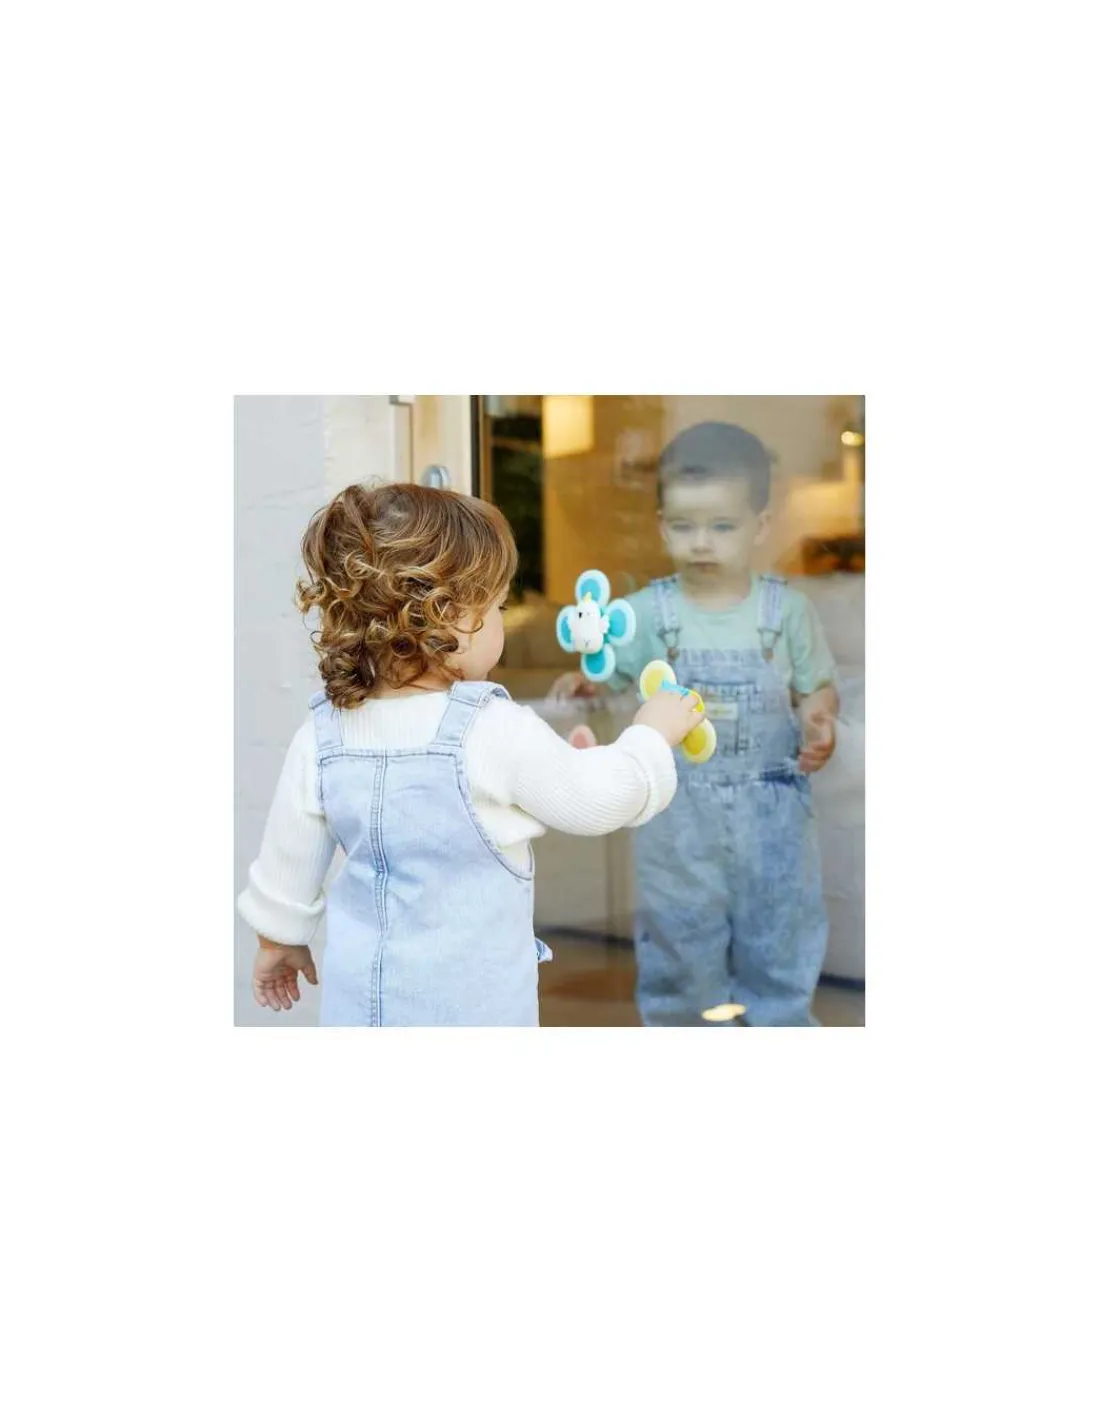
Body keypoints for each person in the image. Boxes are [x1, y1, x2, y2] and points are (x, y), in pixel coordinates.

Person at [238, 482, 703, 1027]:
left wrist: (279, 941)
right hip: (473, 1011)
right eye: (498, 605)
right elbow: (596, 798)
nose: (502, 619)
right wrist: (651, 735)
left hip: (363, 1010)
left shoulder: (323, 734)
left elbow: (289, 855)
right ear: (450, 616)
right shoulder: (488, 729)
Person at [551, 422, 839, 1026]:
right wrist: (586, 683)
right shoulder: (645, 613)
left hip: (773, 817)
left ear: (760, 526)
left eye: (722, 526)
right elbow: (610, 671)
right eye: (684, 526)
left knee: (780, 937)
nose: (702, 542)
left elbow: (816, 687)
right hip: (678, 817)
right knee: (680, 943)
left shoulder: (787, 611)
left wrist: (819, 720)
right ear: (662, 525)